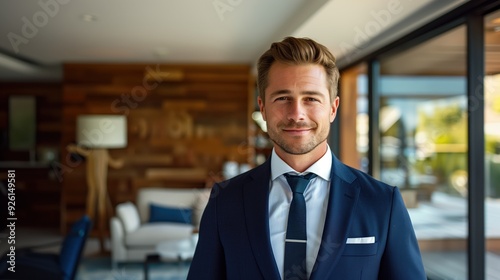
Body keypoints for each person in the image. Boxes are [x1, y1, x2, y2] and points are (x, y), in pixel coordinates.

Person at [187, 37, 426, 280]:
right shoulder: (224, 201)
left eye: (311, 98)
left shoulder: (383, 203)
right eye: (282, 98)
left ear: (333, 109)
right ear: (263, 108)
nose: (296, 114)